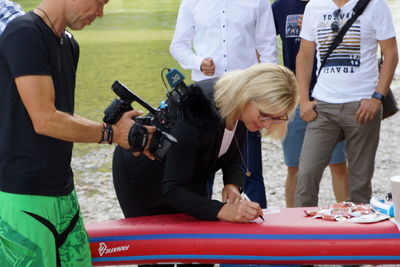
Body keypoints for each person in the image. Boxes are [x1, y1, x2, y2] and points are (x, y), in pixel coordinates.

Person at [0, 0, 156, 266]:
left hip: (64, 193)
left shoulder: (69, 43)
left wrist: (121, 132)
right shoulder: (23, 33)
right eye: (99, 2)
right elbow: (45, 119)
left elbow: (63, 116)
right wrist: (110, 134)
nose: (101, 13)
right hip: (21, 195)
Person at [113, 63, 299, 222]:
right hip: (142, 175)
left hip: (189, 175)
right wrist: (225, 210)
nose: (266, 125)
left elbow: (234, 148)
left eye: (275, 119)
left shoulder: (242, 108)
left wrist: (232, 184)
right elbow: (173, 190)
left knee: (200, 252)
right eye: (264, 115)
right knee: (151, 252)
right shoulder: (199, 109)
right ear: (247, 95)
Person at [169, 0, 279, 208]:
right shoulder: (191, 2)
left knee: (249, 169)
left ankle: (258, 224)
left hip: (248, 99)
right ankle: (201, 228)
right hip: (205, 100)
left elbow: (268, 50)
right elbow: (178, 46)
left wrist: (266, 93)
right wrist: (198, 62)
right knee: (199, 172)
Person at [295, 0, 398, 207]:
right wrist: (304, 100)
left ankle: (357, 236)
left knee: (360, 182)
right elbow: (305, 56)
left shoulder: (375, 5)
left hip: (362, 107)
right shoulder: (314, 6)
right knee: (306, 174)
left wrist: (377, 97)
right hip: (322, 107)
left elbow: (391, 53)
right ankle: (303, 234)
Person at [271, 0, 349, 208]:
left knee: (338, 164)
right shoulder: (280, 7)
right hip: (295, 97)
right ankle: (294, 224)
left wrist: (319, 27)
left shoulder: (334, 5)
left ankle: (350, 219)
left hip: (330, 95)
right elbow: (263, 45)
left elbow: (351, 43)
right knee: (294, 167)